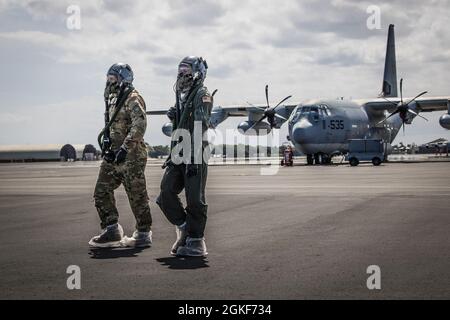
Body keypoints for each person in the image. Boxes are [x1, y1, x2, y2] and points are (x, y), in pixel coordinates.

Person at [88, 63, 152, 248]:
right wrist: (107, 145)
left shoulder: (133, 98)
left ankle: (143, 232)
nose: (109, 82)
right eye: (108, 79)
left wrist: (125, 148)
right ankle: (111, 229)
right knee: (101, 191)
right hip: (113, 156)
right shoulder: (111, 99)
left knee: (136, 195)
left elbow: (139, 125)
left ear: (123, 79)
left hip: (132, 156)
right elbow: (111, 125)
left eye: (113, 78)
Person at [156, 56, 213, 257]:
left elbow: (200, 125)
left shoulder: (202, 94)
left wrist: (194, 157)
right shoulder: (182, 96)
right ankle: (185, 227)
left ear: (198, 72)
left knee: (195, 199)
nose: (181, 73)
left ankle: (196, 241)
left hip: (195, 154)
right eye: (180, 69)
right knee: (165, 193)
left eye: (186, 70)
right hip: (178, 152)